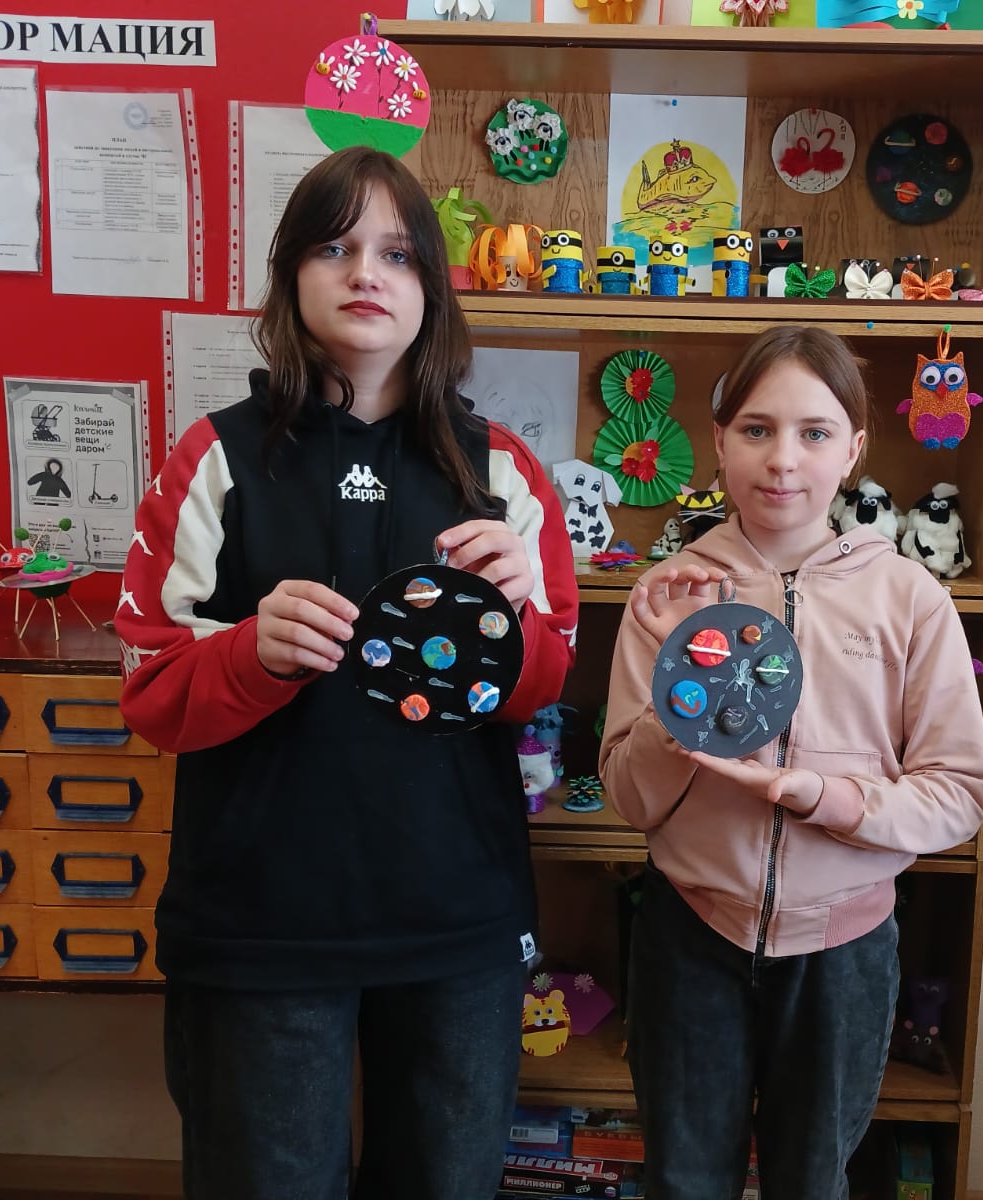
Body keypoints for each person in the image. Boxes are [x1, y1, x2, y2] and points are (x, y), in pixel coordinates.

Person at [115, 145, 579, 1200]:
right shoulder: (215, 459)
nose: (367, 273)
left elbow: (543, 687)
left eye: (398, 254)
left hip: (457, 917)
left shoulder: (503, 471)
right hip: (262, 922)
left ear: (433, 289)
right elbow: (151, 691)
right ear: (290, 276)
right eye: (335, 248)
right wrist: (249, 653)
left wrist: (513, 626)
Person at [598, 325, 983, 1200]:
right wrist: (684, 694)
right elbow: (629, 795)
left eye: (815, 433)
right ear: (719, 443)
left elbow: (958, 793)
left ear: (853, 450)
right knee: (683, 1178)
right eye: (756, 429)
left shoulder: (910, 597)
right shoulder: (670, 592)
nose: (783, 459)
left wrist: (824, 797)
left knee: (813, 1179)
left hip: (843, 950)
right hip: (691, 933)